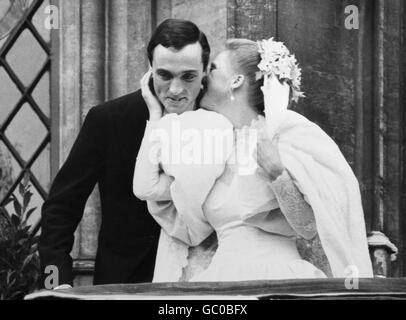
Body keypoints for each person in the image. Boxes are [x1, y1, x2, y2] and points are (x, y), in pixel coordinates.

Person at [133, 38, 373, 281]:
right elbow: (146, 188)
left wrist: (277, 173)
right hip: (219, 278)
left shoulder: (284, 136)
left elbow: (307, 227)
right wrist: (155, 115)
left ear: (235, 81)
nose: (204, 74)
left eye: (213, 68)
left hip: (279, 277)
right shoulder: (209, 145)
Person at [38, 18, 211, 287]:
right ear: (150, 68)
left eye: (188, 76)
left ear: (206, 71)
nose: (175, 90)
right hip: (123, 284)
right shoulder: (108, 119)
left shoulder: (220, 121)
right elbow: (61, 207)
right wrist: (55, 282)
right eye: (164, 75)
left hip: (203, 280)